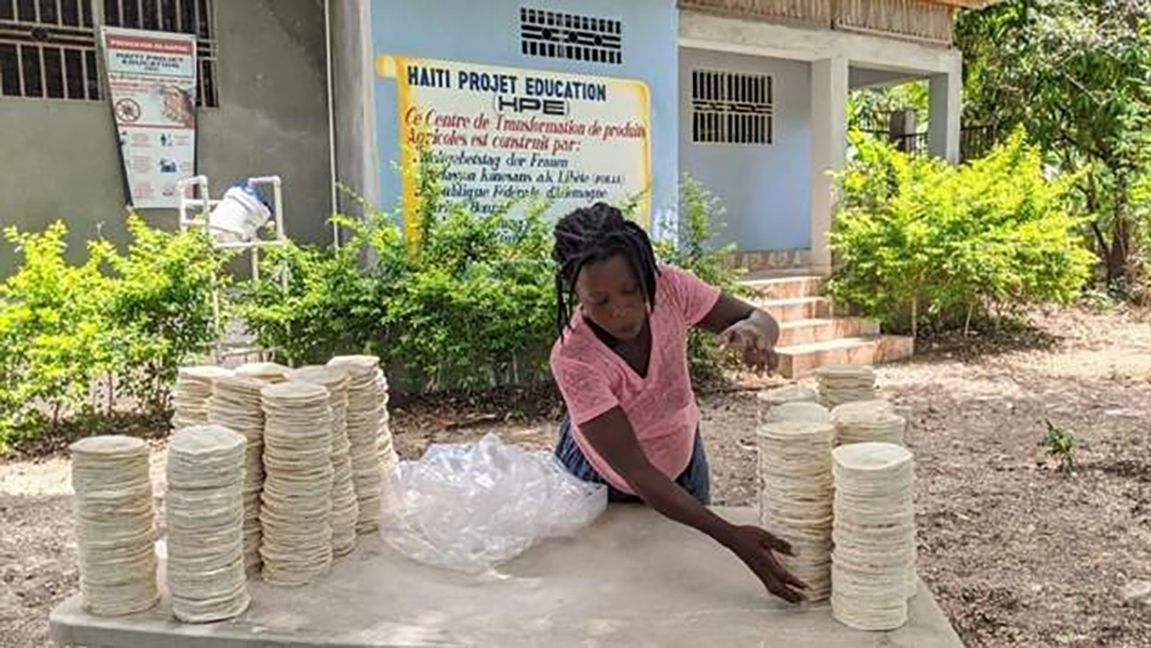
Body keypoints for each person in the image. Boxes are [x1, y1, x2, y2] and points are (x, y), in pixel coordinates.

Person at [549, 202, 808, 604]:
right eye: (599, 301)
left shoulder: (670, 288)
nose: (620, 310)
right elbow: (636, 472)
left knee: (686, 577)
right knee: (623, 597)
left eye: (632, 289)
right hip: (607, 481)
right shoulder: (575, 358)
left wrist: (754, 332)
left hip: (682, 455)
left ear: (647, 274)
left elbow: (759, 317)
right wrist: (733, 539)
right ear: (575, 290)